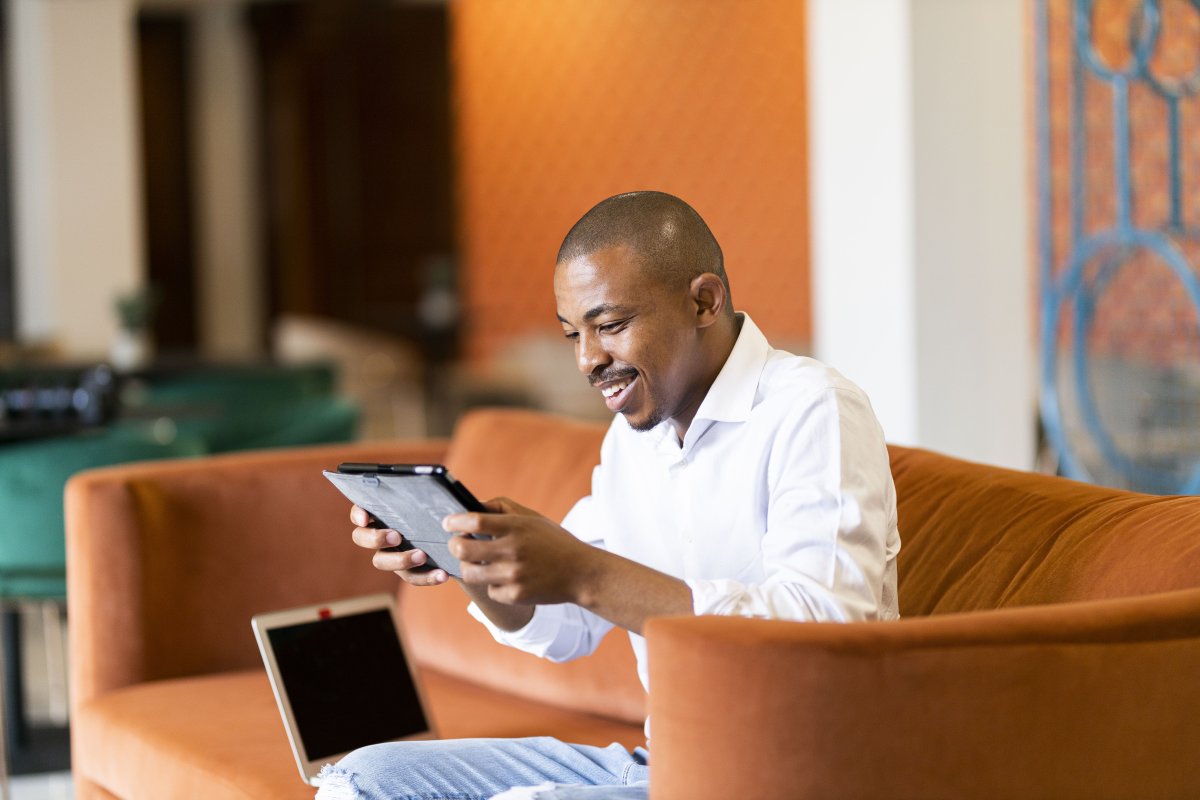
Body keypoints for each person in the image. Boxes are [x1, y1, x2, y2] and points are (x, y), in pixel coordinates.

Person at [316, 191, 900, 800]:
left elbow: (827, 636)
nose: (589, 360)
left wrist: (584, 572)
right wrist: (467, 555)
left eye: (611, 326)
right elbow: (560, 626)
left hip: (795, 775)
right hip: (668, 763)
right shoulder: (634, 440)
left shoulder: (812, 408)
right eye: (574, 334)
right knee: (365, 778)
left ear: (704, 301)